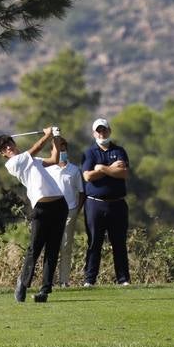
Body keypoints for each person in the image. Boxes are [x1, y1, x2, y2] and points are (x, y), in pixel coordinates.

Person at [0, 129, 67, 303]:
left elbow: (54, 159)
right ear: (3, 154)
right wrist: (48, 134)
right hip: (41, 207)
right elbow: (36, 147)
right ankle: (23, 283)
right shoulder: (13, 163)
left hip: (59, 205)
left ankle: (45, 290)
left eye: (9, 143)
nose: (8, 148)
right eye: (4, 147)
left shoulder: (32, 160)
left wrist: (56, 138)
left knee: (52, 249)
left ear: (14, 143)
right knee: (34, 248)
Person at [81, 117, 131, 287]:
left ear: (110, 131)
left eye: (104, 130)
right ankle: (89, 280)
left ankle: (123, 279)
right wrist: (111, 168)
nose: (102, 133)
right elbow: (87, 176)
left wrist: (101, 168)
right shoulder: (90, 153)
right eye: (99, 130)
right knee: (94, 242)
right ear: (94, 133)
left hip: (117, 203)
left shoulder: (120, 150)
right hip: (95, 204)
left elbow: (123, 173)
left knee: (119, 242)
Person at [43, 136, 85, 286]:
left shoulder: (74, 170)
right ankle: (48, 281)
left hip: (69, 212)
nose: (62, 152)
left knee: (66, 247)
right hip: (52, 213)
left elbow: (81, 192)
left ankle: (64, 281)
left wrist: (76, 210)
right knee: (51, 247)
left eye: (64, 149)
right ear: (52, 151)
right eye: (58, 149)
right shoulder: (47, 169)